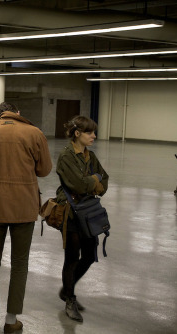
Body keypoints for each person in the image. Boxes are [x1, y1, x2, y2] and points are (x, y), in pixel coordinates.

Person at [0, 102, 52, 333]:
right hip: (24, 207)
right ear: (18, 113)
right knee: (19, 264)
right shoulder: (34, 133)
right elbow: (45, 170)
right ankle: (11, 321)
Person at [55, 116, 109, 322]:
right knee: (72, 257)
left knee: (89, 255)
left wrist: (94, 181)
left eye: (94, 132)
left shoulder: (90, 156)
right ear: (77, 134)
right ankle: (70, 298)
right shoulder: (66, 156)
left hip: (88, 210)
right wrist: (94, 180)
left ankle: (66, 290)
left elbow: (105, 178)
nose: (94, 136)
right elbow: (78, 185)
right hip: (70, 211)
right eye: (90, 132)